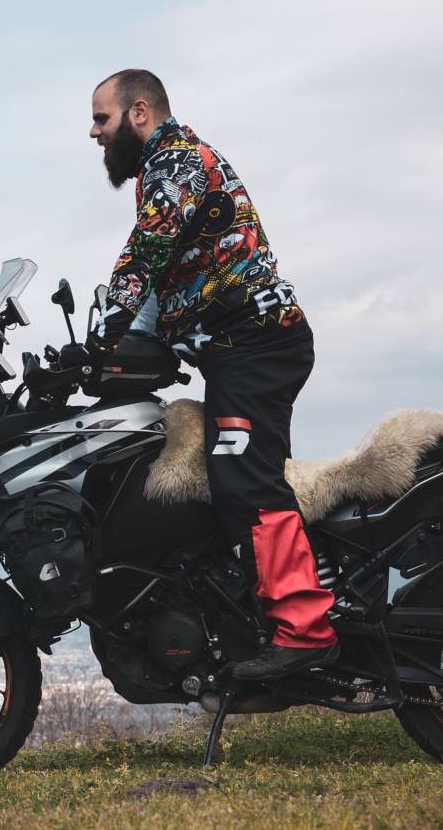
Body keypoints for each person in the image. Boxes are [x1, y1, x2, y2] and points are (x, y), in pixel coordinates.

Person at [87, 69, 337, 680]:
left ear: (139, 112)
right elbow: (159, 279)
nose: (93, 132)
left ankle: (306, 632)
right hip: (238, 349)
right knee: (229, 476)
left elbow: (144, 255)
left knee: (243, 479)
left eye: (102, 118)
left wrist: (103, 331)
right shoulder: (165, 170)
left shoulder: (180, 163)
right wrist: (110, 345)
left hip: (257, 346)